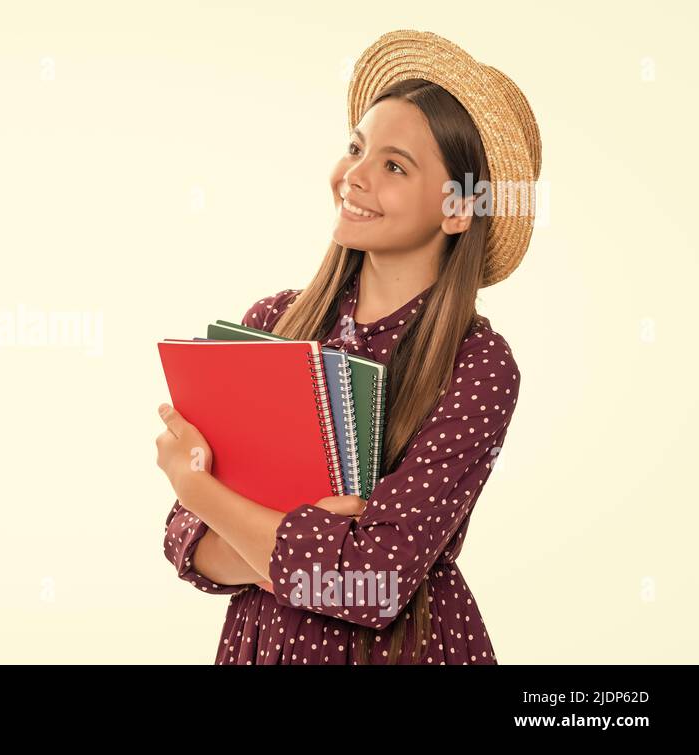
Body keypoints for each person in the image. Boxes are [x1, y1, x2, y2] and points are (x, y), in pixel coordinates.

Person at [155, 30, 541, 664]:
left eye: (393, 165)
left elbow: (375, 583)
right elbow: (186, 546)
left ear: (457, 209)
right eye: (356, 149)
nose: (352, 177)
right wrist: (300, 544)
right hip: (264, 647)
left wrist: (203, 493)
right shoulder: (275, 322)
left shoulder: (477, 366)